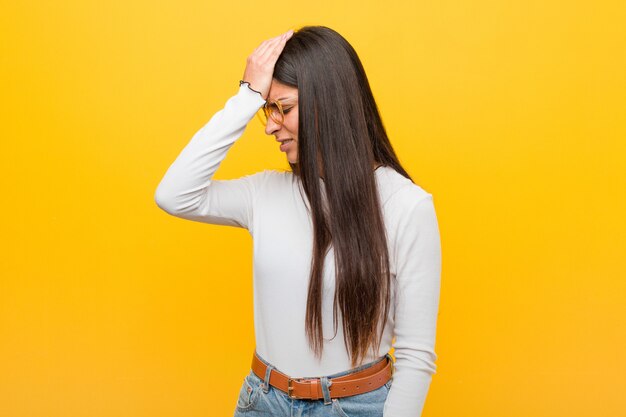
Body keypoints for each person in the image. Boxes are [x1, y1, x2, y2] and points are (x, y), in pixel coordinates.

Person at [155, 25, 442, 417]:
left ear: (329, 102)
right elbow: (173, 194)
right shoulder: (265, 194)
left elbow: (415, 358)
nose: (271, 125)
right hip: (262, 402)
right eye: (267, 111)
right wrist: (246, 96)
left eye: (284, 108)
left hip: (354, 407)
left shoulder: (406, 207)